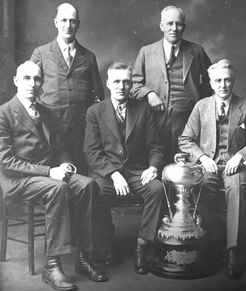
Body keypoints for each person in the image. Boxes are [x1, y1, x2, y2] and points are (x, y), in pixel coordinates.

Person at [0, 61, 107, 291]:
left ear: (42, 82)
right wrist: (50, 172)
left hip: (49, 174)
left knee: (88, 185)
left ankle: (85, 257)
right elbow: (7, 162)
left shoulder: (46, 111)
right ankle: (52, 265)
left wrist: (65, 164)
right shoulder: (1, 114)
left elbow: (61, 146)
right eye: (26, 78)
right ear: (16, 81)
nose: (32, 84)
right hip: (19, 180)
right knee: (58, 188)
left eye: (37, 79)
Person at [179, 59, 246, 279]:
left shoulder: (245, 106)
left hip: (235, 165)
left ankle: (232, 251)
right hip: (208, 164)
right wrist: (202, 157)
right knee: (202, 188)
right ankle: (209, 245)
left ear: (233, 81)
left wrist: (240, 155)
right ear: (211, 82)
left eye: (227, 80)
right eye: (218, 80)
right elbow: (185, 139)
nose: (223, 85)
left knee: (236, 190)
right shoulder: (201, 106)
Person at [84, 62, 164, 275]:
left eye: (126, 81)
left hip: (137, 172)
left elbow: (156, 146)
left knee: (157, 189)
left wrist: (153, 168)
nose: (121, 86)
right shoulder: (95, 111)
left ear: (131, 84)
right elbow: (92, 152)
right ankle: (105, 243)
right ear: (108, 84)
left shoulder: (143, 109)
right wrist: (113, 173)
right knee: (95, 191)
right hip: (107, 174)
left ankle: (143, 246)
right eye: (117, 81)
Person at [132, 5, 212, 163]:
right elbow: (134, 86)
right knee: (157, 165)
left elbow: (213, 81)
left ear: (184, 26)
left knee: (187, 170)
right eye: (169, 24)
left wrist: (199, 104)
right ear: (161, 26)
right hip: (155, 122)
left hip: (189, 123)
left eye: (178, 24)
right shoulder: (146, 52)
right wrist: (149, 93)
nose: (174, 28)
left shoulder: (196, 51)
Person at [31, 2, 104, 173]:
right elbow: (29, 89)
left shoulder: (88, 56)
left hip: (80, 130)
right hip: (50, 128)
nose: (68, 25)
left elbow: (99, 95)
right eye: (63, 20)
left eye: (72, 21)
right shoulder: (40, 53)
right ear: (55, 22)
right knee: (54, 180)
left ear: (78, 24)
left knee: (81, 178)